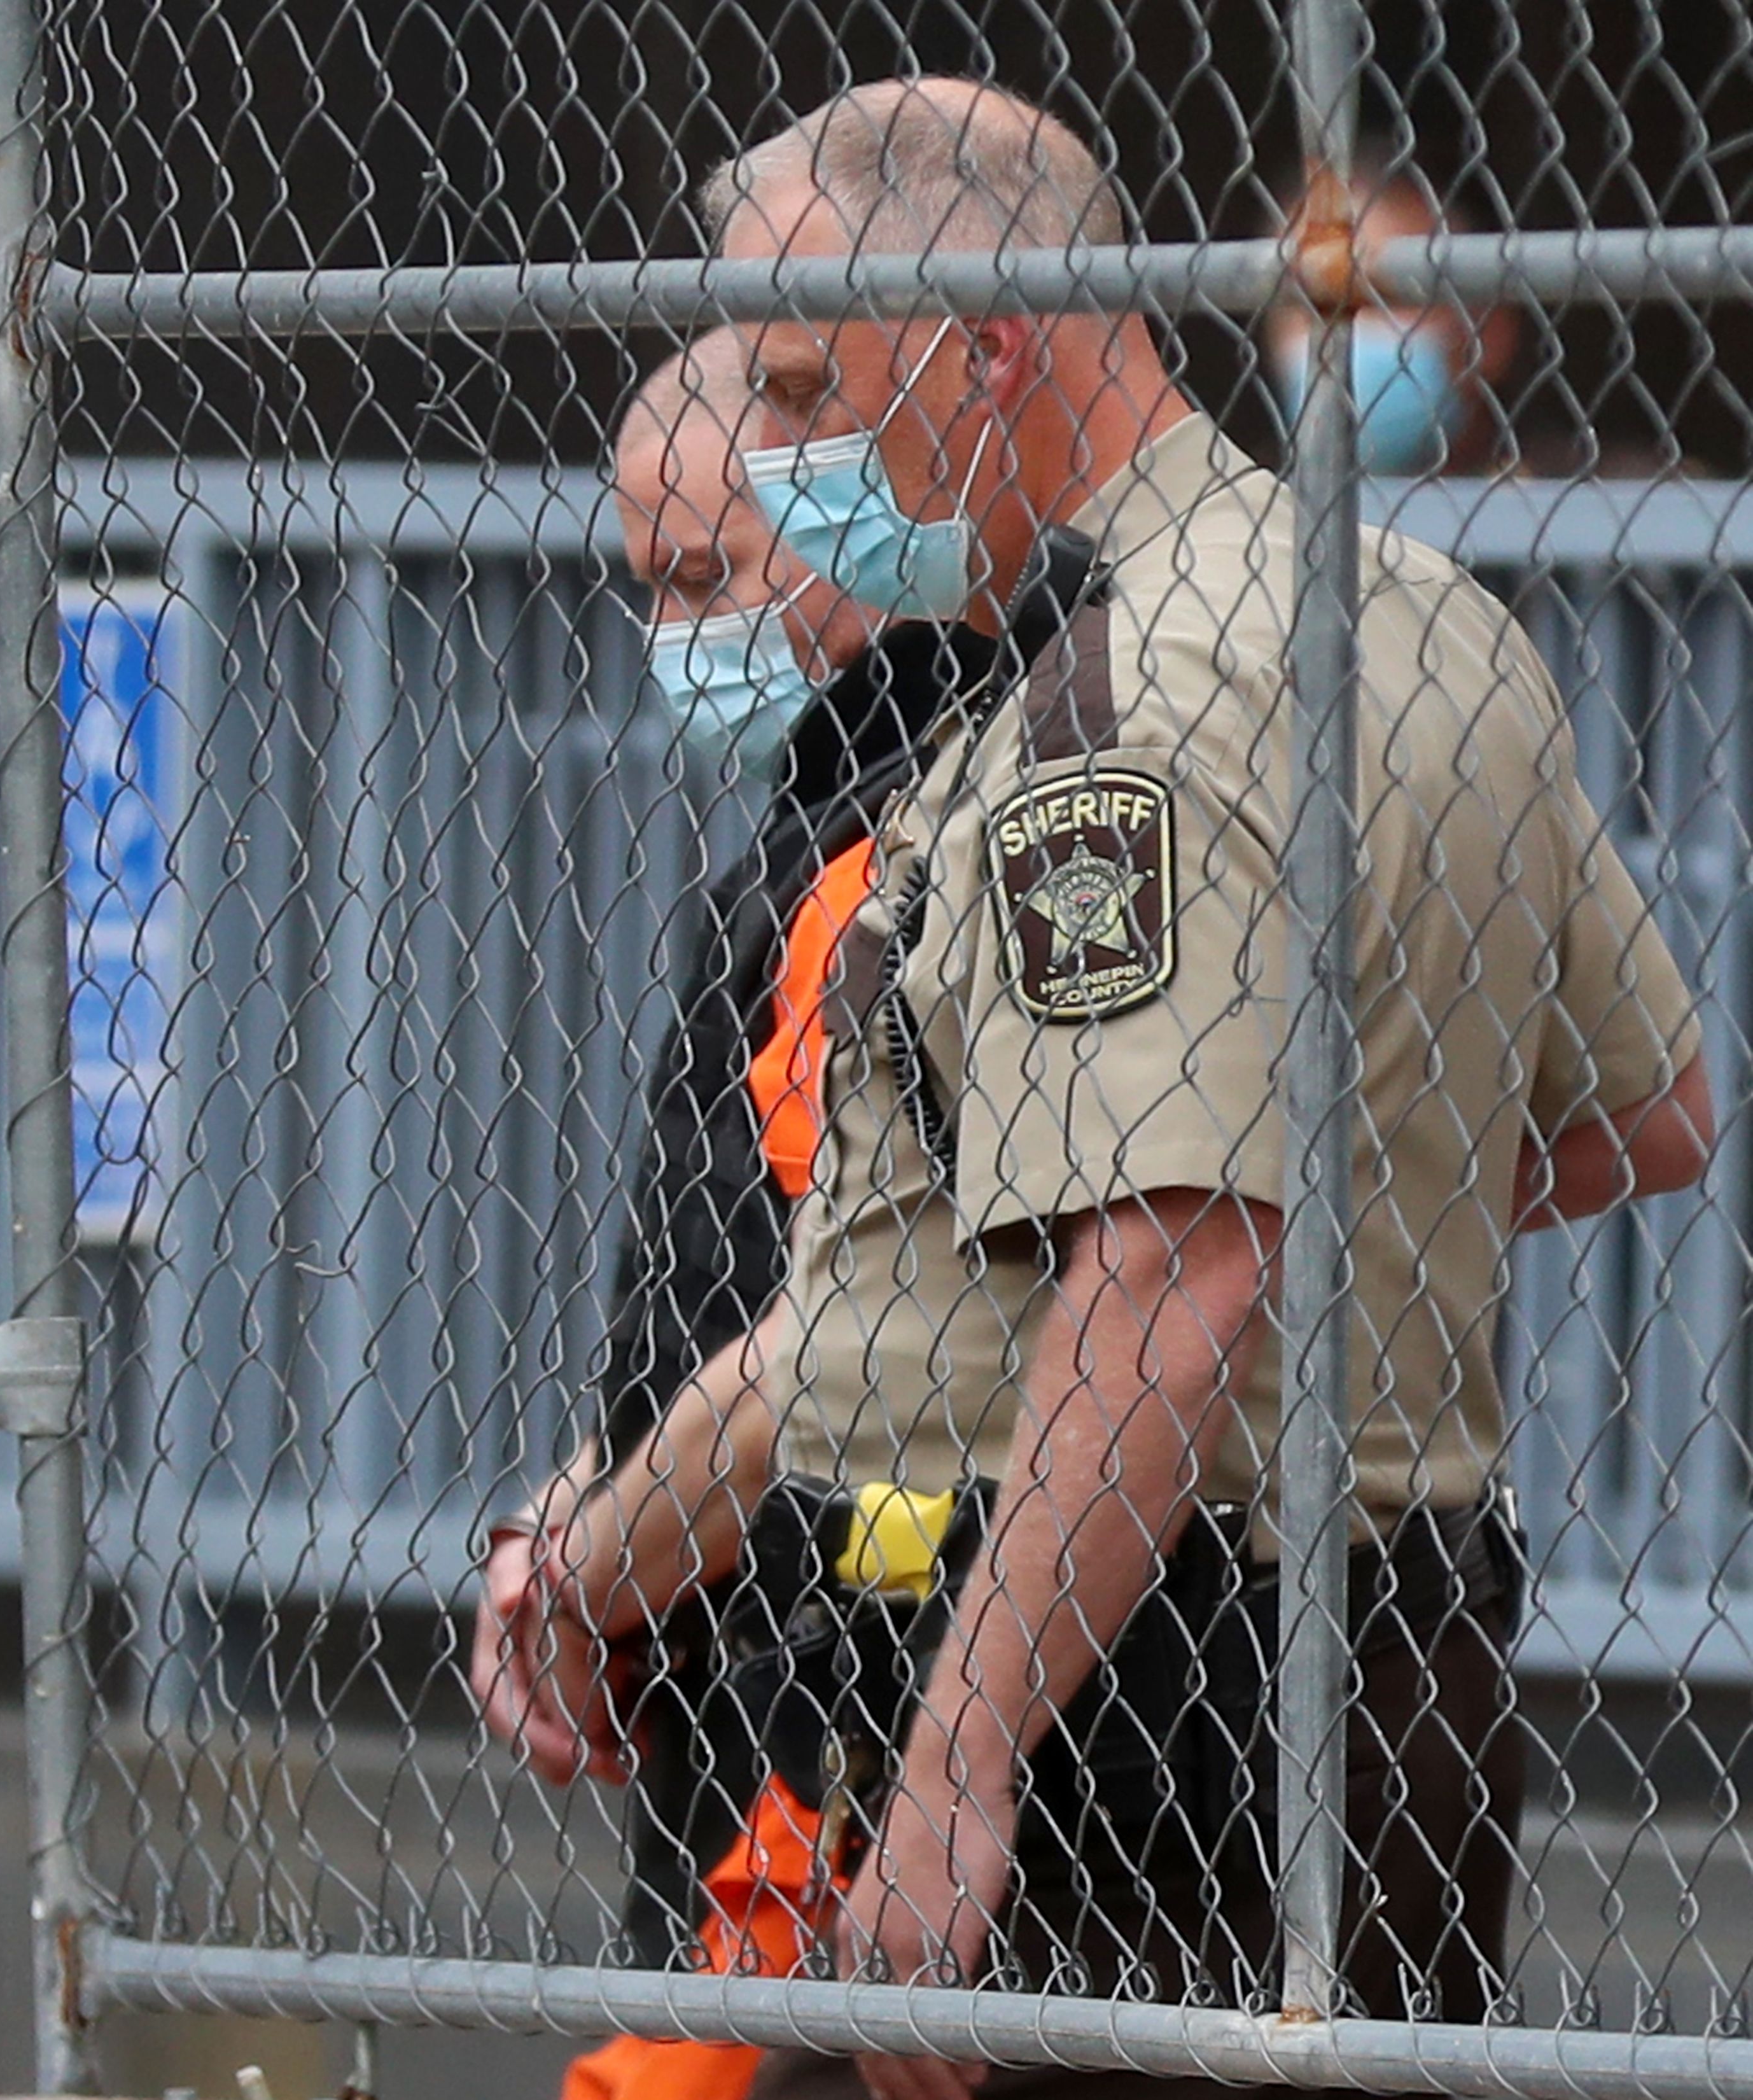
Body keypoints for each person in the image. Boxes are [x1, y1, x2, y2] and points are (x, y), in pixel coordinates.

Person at [493, 81, 1714, 2100]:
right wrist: (1328, 1205)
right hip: (1392, 1656)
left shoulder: (1104, 698)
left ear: (985, 348)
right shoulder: (1415, 616)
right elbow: (1644, 1107)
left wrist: (956, 1766)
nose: (783, 456)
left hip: (1119, 1704)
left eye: (806, 386)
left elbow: (1163, 1262)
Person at [471, 332, 994, 2100]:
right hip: (768, 1705)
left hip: (844, 1735)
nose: (673, 631)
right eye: (648, 583)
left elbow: (838, 1336)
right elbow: (740, 1274)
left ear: (849, 508)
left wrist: (590, 1567)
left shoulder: (909, 839)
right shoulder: (813, 815)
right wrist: (577, 1496)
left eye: (704, 575)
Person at [1264, 143, 1521, 477]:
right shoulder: (1248, 513)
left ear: (1488, 333)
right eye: (1311, 305)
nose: (1340, 334)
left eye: (1380, 301)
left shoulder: (1566, 503)